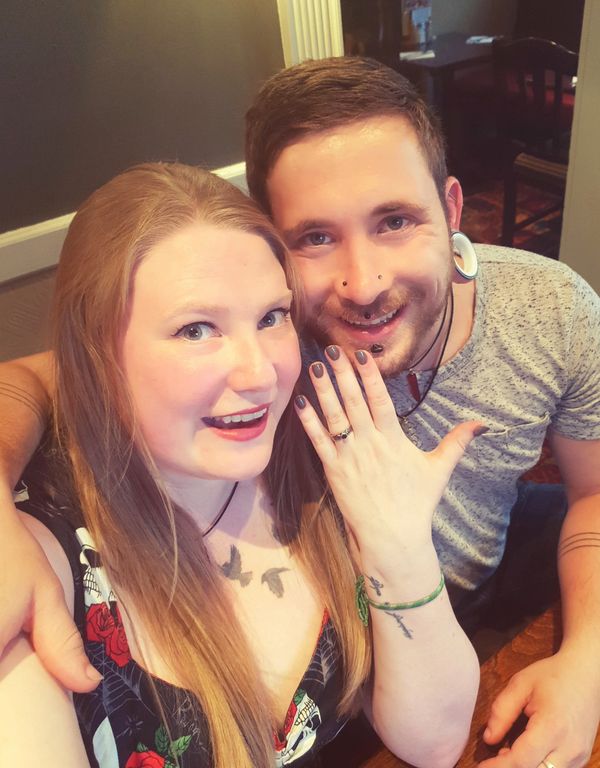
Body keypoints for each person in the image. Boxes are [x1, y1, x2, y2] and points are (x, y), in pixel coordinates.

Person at [0, 55, 599, 766]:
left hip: (457, 633)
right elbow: (44, 376)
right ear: (276, 248)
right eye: (315, 238)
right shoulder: (280, 343)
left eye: (396, 220)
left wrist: (588, 665)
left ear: (453, 210)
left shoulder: (553, 311)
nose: (362, 282)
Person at [0, 162, 481, 768]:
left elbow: (433, 744)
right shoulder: (35, 564)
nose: (259, 374)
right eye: (196, 329)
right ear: (97, 357)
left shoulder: (325, 462)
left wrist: (401, 543)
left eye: (271, 317)